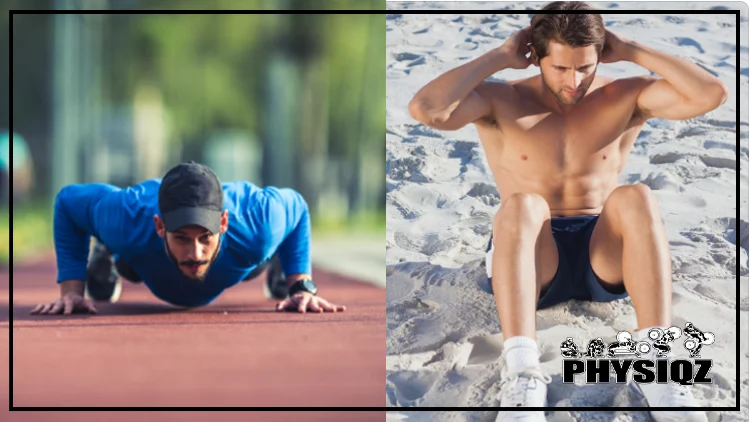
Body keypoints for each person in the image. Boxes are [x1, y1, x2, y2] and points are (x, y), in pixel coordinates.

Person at [408, 2, 726, 421]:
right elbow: (426, 109)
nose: (574, 81)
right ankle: (522, 373)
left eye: (584, 67)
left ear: (599, 55)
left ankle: (657, 368)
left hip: (602, 256)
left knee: (637, 196)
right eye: (560, 69)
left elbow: (711, 95)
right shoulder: (502, 100)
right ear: (536, 57)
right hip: (532, 260)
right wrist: (498, 58)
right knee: (523, 204)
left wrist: (631, 49)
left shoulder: (624, 96)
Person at [31, 161, 346, 315]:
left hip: (244, 255)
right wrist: (71, 290)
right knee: (127, 251)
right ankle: (107, 253)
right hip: (140, 255)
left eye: (204, 237)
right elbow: (68, 202)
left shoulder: (260, 219)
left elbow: (299, 207)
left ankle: (276, 264)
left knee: (257, 257)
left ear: (223, 222)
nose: (195, 252)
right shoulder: (126, 217)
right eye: (182, 237)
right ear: (160, 226)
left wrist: (300, 283)